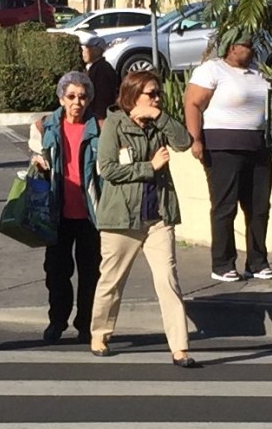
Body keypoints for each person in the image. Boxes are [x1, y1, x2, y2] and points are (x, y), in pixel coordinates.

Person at [89, 70, 200, 368]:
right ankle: (100, 333)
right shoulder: (114, 125)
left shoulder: (158, 124)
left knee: (168, 279)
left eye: (158, 93)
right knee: (111, 280)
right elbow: (108, 169)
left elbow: (183, 143)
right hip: (121, 218)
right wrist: (148, 167)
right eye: (150, 93)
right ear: (132, 95)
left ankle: (179, 348)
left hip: (158, 215)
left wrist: (160, 116)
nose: (156, 98)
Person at [183, 30, 272, 282]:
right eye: (245, 45)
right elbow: (192, 104)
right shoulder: (212, 71)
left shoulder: (258, 72)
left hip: (257, 146)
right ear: (231, 47)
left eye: (251, 45)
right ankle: (222, 264)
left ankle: (257, 261)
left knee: (259, 207)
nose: (250, 49)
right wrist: (196, 140)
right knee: (225, 206)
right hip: (222, 146)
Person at [27, 71, 101, 344]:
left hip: (91, 214)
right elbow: (36, 154)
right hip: (57, 213)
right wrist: (38, 161)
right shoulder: (45, 126)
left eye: (82, 97)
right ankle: (57, 320)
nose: (77, 103)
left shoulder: (99, 128)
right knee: (56, 272)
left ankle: (86, 324)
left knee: (91, 272)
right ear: (61, 98)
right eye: (71, 97)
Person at [78, 32, 120, 122]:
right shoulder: (94, 68)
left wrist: (99, 118)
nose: (83, 52)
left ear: (97, 50)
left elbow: (102, 97)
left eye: (87, 48)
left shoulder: (102, 70)